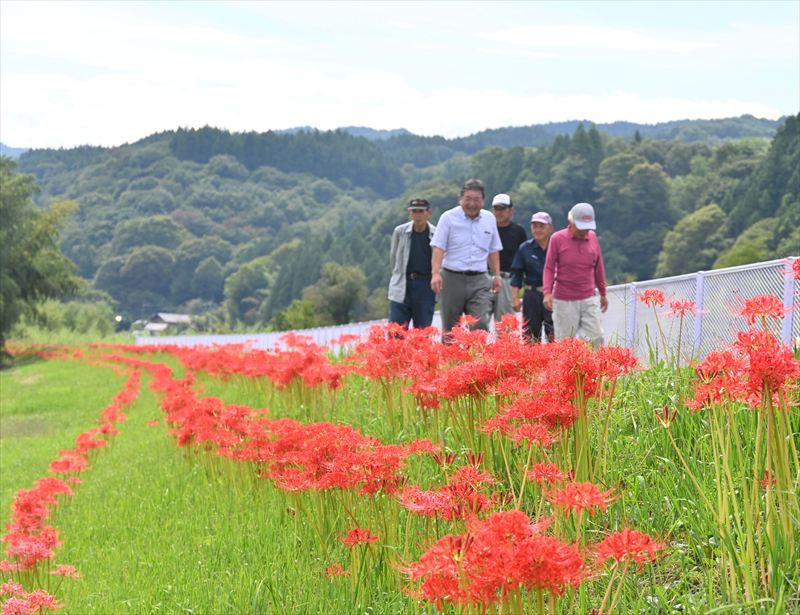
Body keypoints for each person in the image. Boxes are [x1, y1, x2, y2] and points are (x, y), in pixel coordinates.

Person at [431, 179, 503, 340]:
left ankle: (476, 363)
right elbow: (438, 248)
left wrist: (496, 275)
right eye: (468, 199)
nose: (472, 204)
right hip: (451, 278)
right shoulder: (448, 218)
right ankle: (452, 363)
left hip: (480, 279)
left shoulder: (489, 218)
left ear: (483, 201)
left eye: (476, 199)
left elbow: (493, 249)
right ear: (460, 199)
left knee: (479, 324)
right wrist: (435, 273)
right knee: (451, 328)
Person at [542, 202, 608, 347]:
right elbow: (549, 268)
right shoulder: (557, 239)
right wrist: (547, 292)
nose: (585, 231)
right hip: (564, 301)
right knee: (566, 343)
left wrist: (603, 293)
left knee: (597, 338)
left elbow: (599, 267)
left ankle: (597, 369)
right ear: (571, 221)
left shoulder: (593, 238)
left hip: (589, 298)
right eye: (581, 227)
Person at [388, 198, 437, 329]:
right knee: (396, 331)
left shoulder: (436, 233)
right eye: (414, 211)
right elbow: (393, 259)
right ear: (409, 213)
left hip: (426, 286)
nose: (417, 215)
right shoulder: (400, 232)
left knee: (422, 332)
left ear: (429, 213)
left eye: (421, 211)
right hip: (402, 284)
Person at [510, 211, 554, 343]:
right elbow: (516, 273)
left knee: (554, 334)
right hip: (531, 295)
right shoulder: (525, 248)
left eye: (542, 226)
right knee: (530, 335)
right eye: (535, 226)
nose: (538, 230)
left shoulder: (556, 246)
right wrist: (515, 298)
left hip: (553, 295)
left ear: (550, 228)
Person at [489, 193, 528, 323]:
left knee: (505, 326)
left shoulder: (519, 231)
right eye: (496, 209)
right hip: (486, 278)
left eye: (503, 209)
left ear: (511, 210)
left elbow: (523, 260)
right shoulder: (487, 229)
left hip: (507, 280)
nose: (499, 212)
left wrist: (518, 285)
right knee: (479, 322)